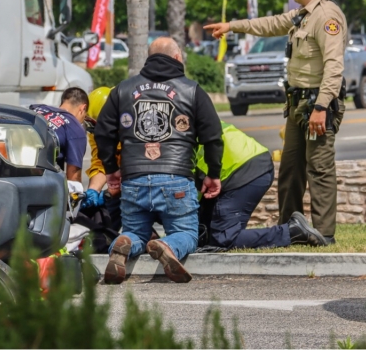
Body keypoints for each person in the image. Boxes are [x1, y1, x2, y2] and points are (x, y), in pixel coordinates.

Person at [204, 0, 346, 245]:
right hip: (297, 105)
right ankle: (289, 231)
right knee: (291, 171)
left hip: (316, 105)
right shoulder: (304, 15)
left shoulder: (327, 17)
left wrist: (321, 108)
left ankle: (326, 234)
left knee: (318, 168)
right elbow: (271, 24)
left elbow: (334, 67)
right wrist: (232, 26)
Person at [95, 37, 223, 284]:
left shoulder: (122, 89)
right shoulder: (192, 90)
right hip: (176, 178)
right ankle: (168, 245)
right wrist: (213, 173)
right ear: (177, 58)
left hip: (133, 179)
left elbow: (103, 132)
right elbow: (213, 137)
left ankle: (124, 244)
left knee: (135, 232)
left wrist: (111, 170)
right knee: (186, 233)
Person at [197, 121, 326, 251]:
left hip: (245, 171)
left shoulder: (180, 143)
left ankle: (293, 231)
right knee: (205, 235)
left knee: (223, 239)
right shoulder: (189, 114)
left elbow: (187, 196)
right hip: (250, 162)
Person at [82, 86, 122, 232]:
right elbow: (100, 162)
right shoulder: (96, 133)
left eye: (95, 125)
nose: (94, 131)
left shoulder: (131, 128)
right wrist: (93, 190)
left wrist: (113, 189)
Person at [30, 87, 88, 182]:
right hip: (40, 180)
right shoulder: (76, 128)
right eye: (84, 117)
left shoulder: (38, 109)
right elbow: (73, 179)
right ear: (83, 108)